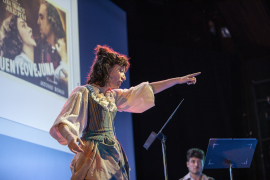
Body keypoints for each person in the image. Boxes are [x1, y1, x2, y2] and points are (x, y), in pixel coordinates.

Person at [49, 45, 201, 180]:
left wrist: (178, 80)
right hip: (94, 153)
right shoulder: (84, 92)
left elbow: (148, 89)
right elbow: (64, 120)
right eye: (120, 71)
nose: (123, 76)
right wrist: (70, 137)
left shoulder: (113, 96)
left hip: (112, 153)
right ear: (108, 70)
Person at [35, 0, 68, 84]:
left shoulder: (65, 51)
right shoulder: (35, 45)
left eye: (41, 17)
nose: (38, 22)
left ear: (52, 20)